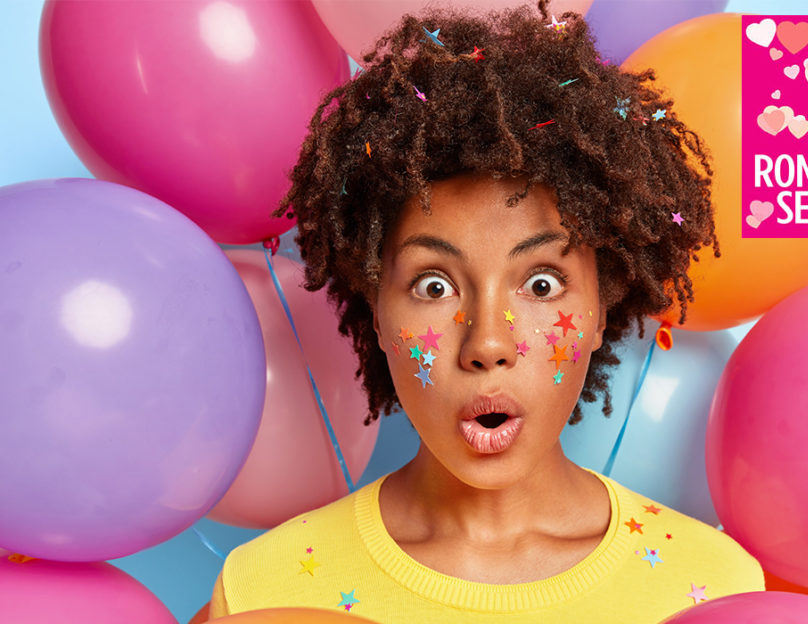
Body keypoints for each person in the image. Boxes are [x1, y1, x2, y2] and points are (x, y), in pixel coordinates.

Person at [209, 2, 764, 620]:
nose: (488, 344)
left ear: (602, 308)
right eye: (434, 288)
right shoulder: (265, 589)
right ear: (378, 312)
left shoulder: (716, 589)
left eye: (543, 285)